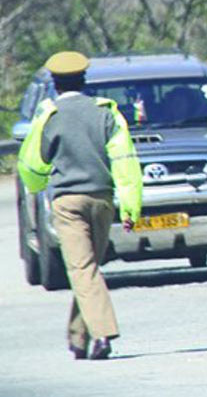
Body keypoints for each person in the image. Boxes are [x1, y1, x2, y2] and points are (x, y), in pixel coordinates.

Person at [17, 51, 142, 361]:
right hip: (102, 199)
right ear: (84, 81)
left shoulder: (49, 116)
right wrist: (130, 207)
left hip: (67, 202)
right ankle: (78, 336)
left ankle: (101, 334)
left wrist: (39, 186)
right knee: (88, 269)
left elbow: (31, 164)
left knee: (83, 270)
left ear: (55, 84)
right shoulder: (107, 113)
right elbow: (125, 163)